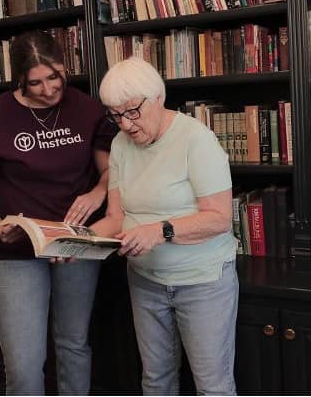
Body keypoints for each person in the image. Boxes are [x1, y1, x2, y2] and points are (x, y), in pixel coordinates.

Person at [0, 30, 116, 395]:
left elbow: (113, 170)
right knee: (24, 362)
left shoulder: (86, 108)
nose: (48, 89)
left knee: (74, 345)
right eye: (35, 82)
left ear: (65, 66)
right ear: (20, 79)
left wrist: (98, 192)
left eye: (54, 77)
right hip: (16, 249)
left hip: (74, 244)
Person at [91, 56, 239, 395]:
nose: (125, 124)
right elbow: (115, 217)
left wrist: (159, 231)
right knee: (155, 380)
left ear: (158, 97)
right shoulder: (119, 145)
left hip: (202, 282)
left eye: (132, 111)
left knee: (212, 386)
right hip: (144, 281)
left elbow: (218, 218)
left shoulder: (196, 139)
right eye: (115, 115)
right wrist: (74, 242)